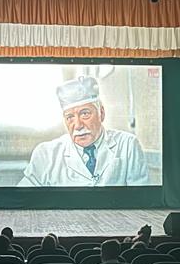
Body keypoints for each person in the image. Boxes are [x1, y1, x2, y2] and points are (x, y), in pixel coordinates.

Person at [17, 75, 149, 187]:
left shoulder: (127, 145)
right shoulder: (46, 154)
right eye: (70, 117)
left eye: (85, 114)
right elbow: (21, 199)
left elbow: (141, 199)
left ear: (101, 113)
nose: (78, 125)